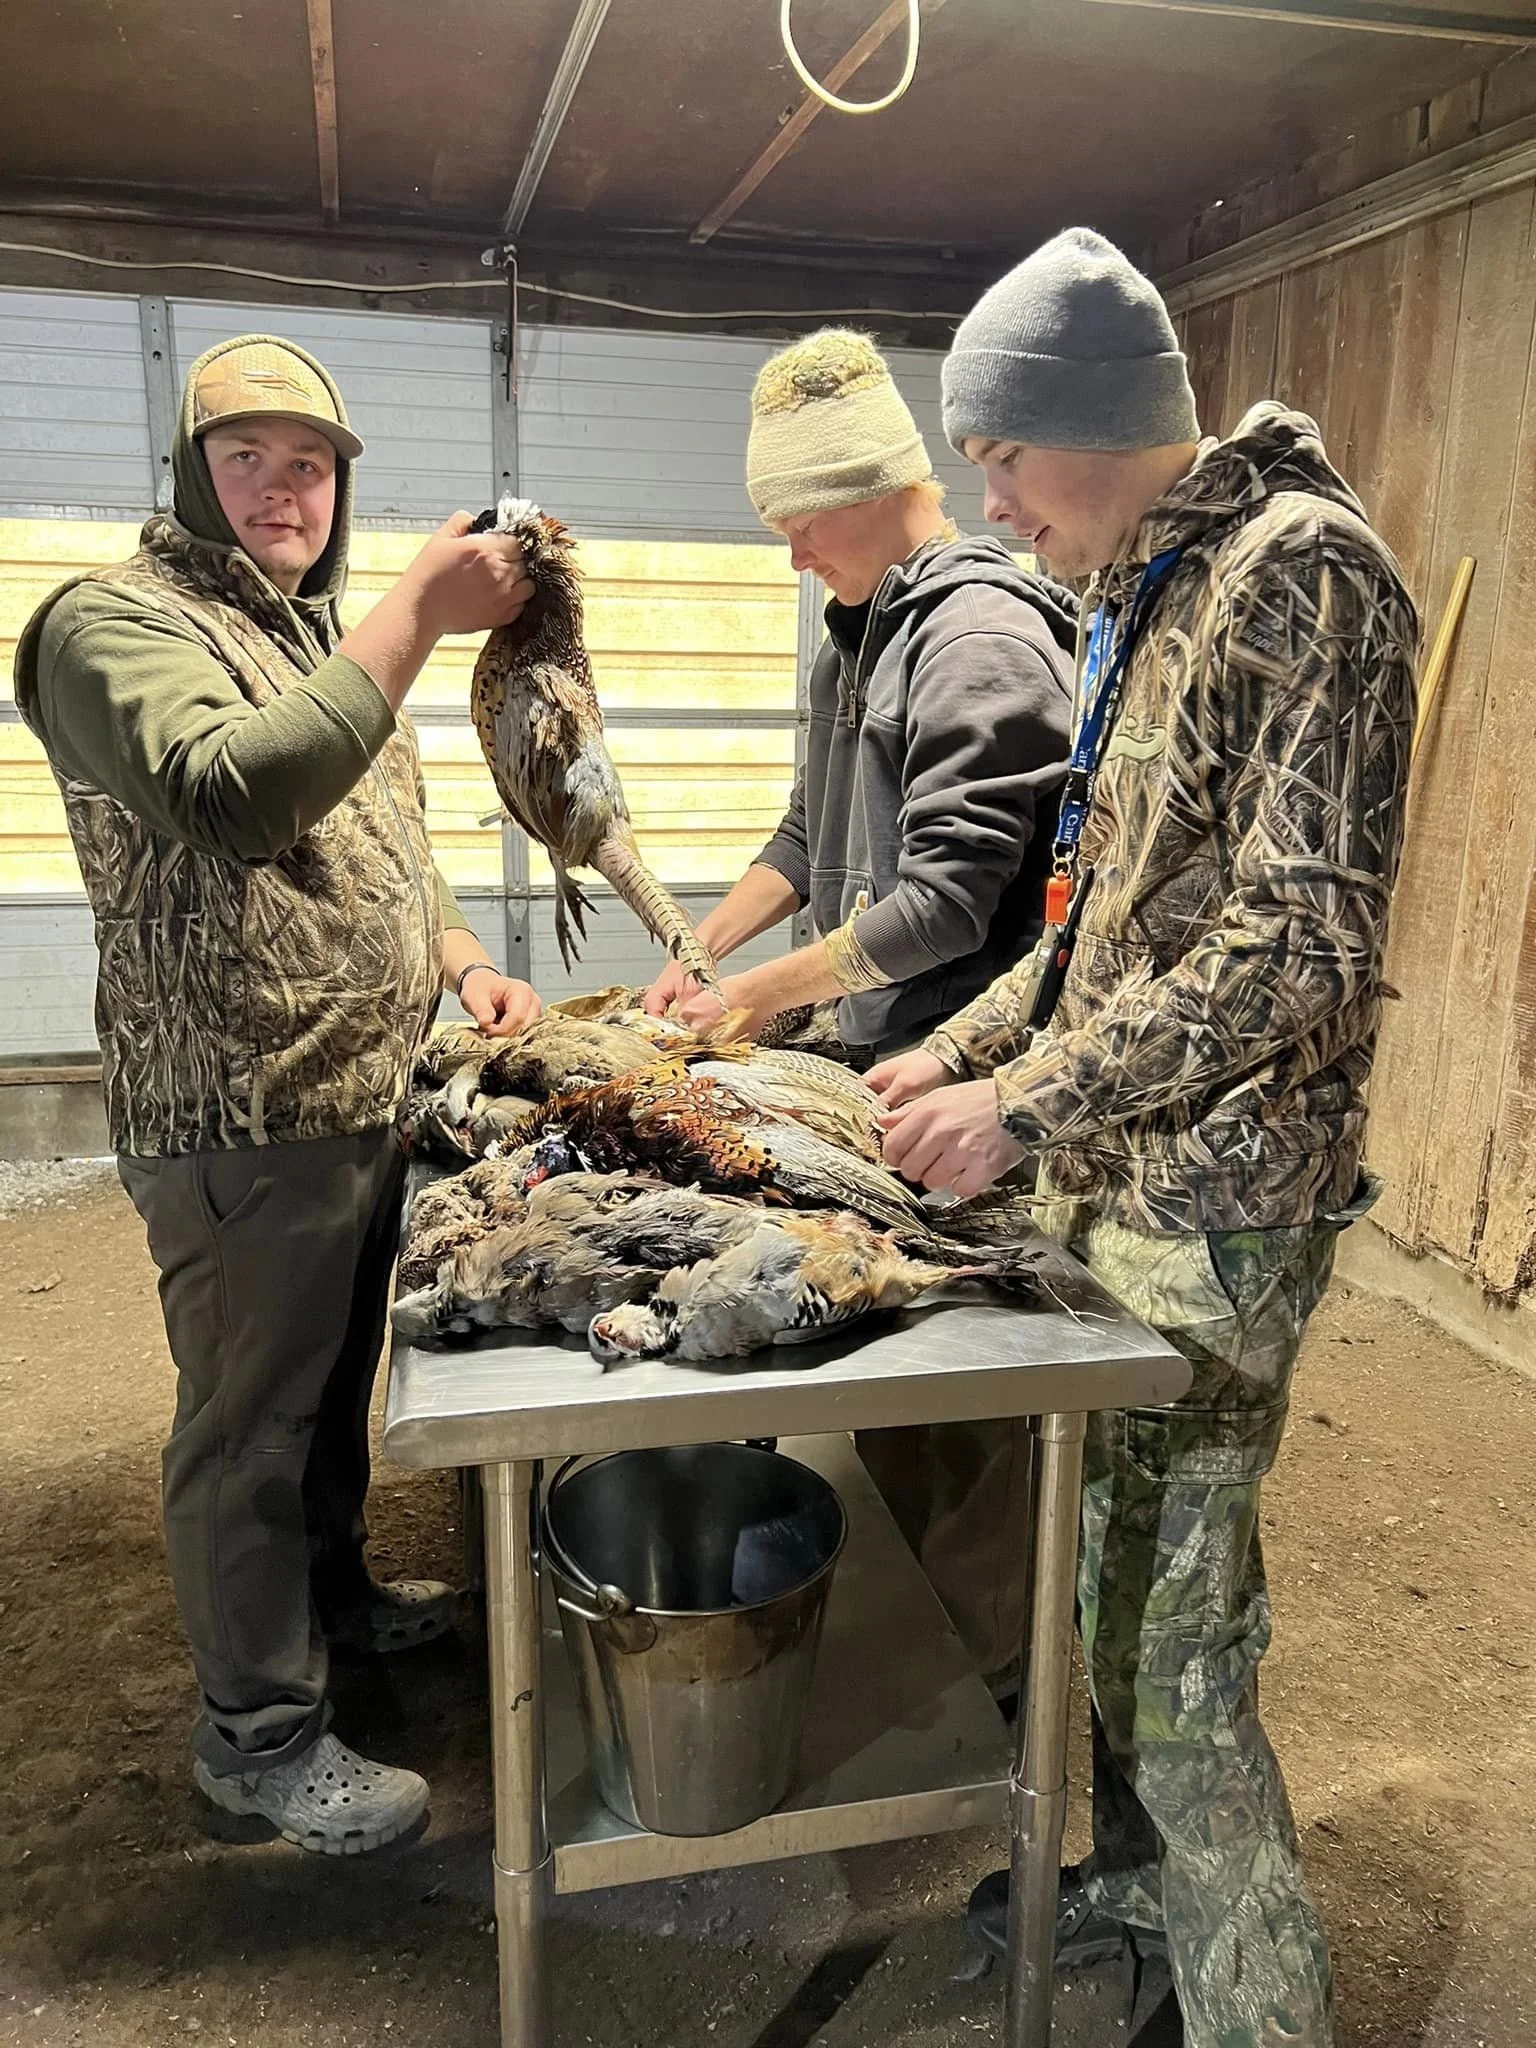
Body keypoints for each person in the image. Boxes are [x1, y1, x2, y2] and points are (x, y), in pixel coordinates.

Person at [876, 230, 1417, 2046]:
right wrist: (944, 1057)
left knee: (1175, 1662)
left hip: (1221, 1210)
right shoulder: (1154, 583)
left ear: (1093, 421)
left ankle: (1264, 2012)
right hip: (1123, 1180)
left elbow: (1302, 943)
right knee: (1104, 1592)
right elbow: (1100, 926)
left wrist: (1021, 1106)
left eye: (1001, 456)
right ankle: (1138, 1899)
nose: (990, 502)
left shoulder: (1305, 575)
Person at [15, 334, 542, 1856]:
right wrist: (419, 613)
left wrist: (457, 957)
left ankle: (333, 1603)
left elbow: (383, 832)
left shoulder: (312, 635)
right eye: (243, 458)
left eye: (308, 465)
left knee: (320, 1398)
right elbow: (238, 794)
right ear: (191, 473)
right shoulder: (112, 625)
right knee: (246, 1430)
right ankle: (258, 1738)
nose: (281, 488)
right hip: (238, 1116)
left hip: (358, 1095)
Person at [646, 328, 1075, 1691]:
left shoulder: (979, 637)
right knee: (894, 1372)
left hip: (966, 1078)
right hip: (876, 1062)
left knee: (965, 1392)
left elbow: (946, 903)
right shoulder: (857, 633)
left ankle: (1006, 1678)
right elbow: (805, 832)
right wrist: (702, 953)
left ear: (877, 488)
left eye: (799, 525)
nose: (789, 557)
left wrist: (761, 998)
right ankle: (938, 1615)